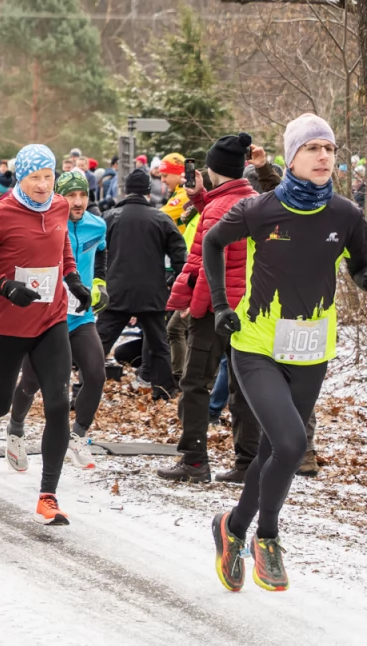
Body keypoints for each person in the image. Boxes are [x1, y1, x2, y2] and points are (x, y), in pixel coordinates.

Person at [208, 113, 367, 592]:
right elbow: (213, 243)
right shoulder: (258, 210)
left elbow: (362, 269)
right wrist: (220, 306)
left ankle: (230, 528)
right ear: (291, 157)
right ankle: (267, 538)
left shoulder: (346, 215)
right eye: (313, 148)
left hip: (312, 351)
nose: (324, 156)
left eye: (330, 149)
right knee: (292, 446)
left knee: (279, 448)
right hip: (256, 346)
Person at [0, 144, 92, 525]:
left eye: (49, 177)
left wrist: (73, 278)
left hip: (51, 321)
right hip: (8, 325)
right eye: (35, 178)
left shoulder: (60, 206)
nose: (44, 185)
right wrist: (2, 286)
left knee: (58, 407)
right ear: (21, 177)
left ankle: (48, 495)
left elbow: (62, 242)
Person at [161, 134, 273, 484]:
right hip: (250, 310)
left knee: (196, 383)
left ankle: (194, 459)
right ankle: (247, 463)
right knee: (243, 387)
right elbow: (225, 207)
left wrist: (191, 309)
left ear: (213, 168)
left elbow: (209, 268)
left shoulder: (219, 210)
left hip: (215, 309)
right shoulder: (250, 198)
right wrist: (198, 196)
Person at [6, 169, 108, 470]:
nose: (78, 202)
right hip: (45, 317)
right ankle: (15, 429)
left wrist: (100, 282)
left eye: (83, 195)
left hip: (81, 316)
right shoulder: (48, 223)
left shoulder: (97, 225)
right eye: (71, 195)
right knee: (32, 380)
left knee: (96, 374)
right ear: (58, 196)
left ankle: (77, 437)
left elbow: (101, 253)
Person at [95, 168, 187, 399]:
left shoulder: (109, 218)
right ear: (148, 191)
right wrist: (180, 286)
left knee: (100, 343)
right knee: (159, 345)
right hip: (151, 294)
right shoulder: (161, 218)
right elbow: (179, 257)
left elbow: (96, 255)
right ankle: (164, 390)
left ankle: (86, 386)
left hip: (116, 292)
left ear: (126, 190)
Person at [159, 153, 190, 232]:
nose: (162, 180)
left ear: (179, 174)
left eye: (165, 175)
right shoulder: (179, 191)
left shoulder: (186, 194)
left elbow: (158, 217)